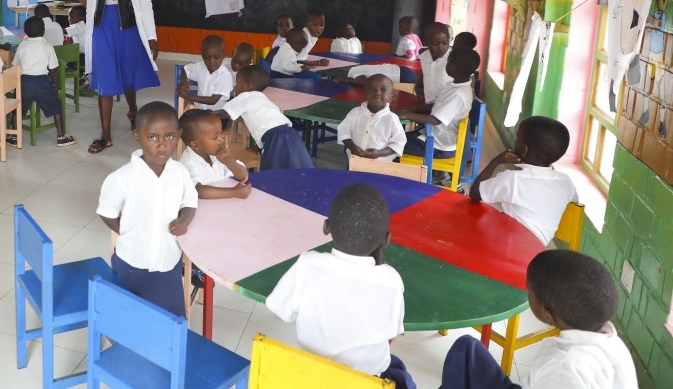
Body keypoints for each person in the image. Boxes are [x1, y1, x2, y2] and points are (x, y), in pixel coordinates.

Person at [266, 183, 415, 389]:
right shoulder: (391, 281)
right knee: (401, 373)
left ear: (326, 227)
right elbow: (392, 330)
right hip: (363, 383)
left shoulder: (307, 264)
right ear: (386, 241)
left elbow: (279, 308)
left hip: (309, 377)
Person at [441, 250, 636, 389]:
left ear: (547, 313)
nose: (528, 294)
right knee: (467, 348)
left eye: (530, 291)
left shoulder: (564, 368)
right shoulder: (612, 343)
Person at [97, 102, 197, 315]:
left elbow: (190, 202)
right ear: (137, 136)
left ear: (179, 135)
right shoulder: (122, 178)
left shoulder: (180, 173)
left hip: (168, 264)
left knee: (172, 322)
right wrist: (126, 229)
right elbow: (106, 211)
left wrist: (184, 221)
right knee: (128, 319)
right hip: (131, 264)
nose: (162, 145)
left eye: (169, 136)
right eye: (152, 137)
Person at [84, 0, 161, 154]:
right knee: (105, 79)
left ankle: (133, 111)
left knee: (128, 76)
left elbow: (145, 3)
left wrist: (151, 37)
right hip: (102, 27)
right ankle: (105, 136)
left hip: (128, 26)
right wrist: (88, 35)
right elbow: (91, 4)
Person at [470, 116, 578, 245]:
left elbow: (475, 193)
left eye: (517, 138)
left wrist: (496, 161)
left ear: (524, 149)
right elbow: (574, 202)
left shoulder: (514, 180)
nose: (515, 141)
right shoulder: (566, 182)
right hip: (536, 254)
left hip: (508, 251)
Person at [398, 49, 478, 180]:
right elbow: (438, 106)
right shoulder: (456, 87)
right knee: (398, 136)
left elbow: (435, 119)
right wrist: (414, 109)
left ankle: (400, 178)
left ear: (452, 67)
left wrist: (407, 115)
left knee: (393, 142)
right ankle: (435, 173)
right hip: (435, 137)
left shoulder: (458, 94)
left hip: (438, 146)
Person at [215, 65, 314, 170]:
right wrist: (255, 149)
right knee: (299, 169)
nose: (234, 87)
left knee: (271, 174)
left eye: (237, 82)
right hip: (291, 134)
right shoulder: (263, 98)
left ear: (248, 86)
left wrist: (202, 112)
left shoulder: (245, 96)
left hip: (276, 137)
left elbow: (225, 113)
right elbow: (267, 128)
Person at [12, 16, 76, 147]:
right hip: (42, 83)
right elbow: (53, 69)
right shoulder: (47, 46)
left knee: (16, 109)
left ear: (25, 31)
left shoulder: (22, 46)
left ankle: (14, 137)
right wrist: (56, 86)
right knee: (56, 108)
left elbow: (16, 66)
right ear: (43, 31)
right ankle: (61, 136)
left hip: (24, 83)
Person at [178, 108, 252, 199]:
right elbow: (199, 191)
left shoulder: (217, 155)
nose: (221, 139)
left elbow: (243, 176)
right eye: (215, 137)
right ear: (195, 145)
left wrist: (229, 162)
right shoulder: (187, 163)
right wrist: (234, 192)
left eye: (221, 134)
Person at [336, 74, 406, 162]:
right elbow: (343, 129)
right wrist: (353, 148)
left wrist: (379, 153)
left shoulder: (392, 119)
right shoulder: (356, 112)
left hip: (381, 165)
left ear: (390, 98)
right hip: (355, 160)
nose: (377, 92)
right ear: (364, 95)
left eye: (383, 89)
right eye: (371, 89)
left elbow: (398, 143)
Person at [177, 35, 234, 110]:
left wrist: (188, 96)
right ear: (202, 55)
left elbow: (213, 100)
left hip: (216, 115)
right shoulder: (199, 67)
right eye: (207, 58)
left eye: (216, 57)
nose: (211, 62)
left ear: (224, 55)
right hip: (199, 110)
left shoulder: (225, 76)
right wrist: (183, 81)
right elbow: (185, 69)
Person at [415, 22, 452, 102]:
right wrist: (417, 86)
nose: (441, 48)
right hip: (428, 102)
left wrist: (472, 91)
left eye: (445, 43)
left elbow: (470, 77)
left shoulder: (454, 57)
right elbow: (427, 73)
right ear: (426, 42)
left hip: (446, 105)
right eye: (435, 44)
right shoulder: (424, 56)